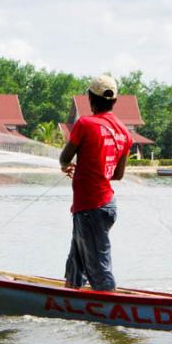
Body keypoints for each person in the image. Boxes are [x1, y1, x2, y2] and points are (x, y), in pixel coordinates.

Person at [59, 75, 133, 291]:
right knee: (77, 261)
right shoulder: (124, 133)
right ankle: (69, 296)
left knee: (99, 269)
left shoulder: (85, 123)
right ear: (114, 101)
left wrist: (66, 165)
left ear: (90, 98)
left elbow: (65, 157)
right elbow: (117, 175)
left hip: (91, 206)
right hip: (106, 205)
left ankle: (109, 309)